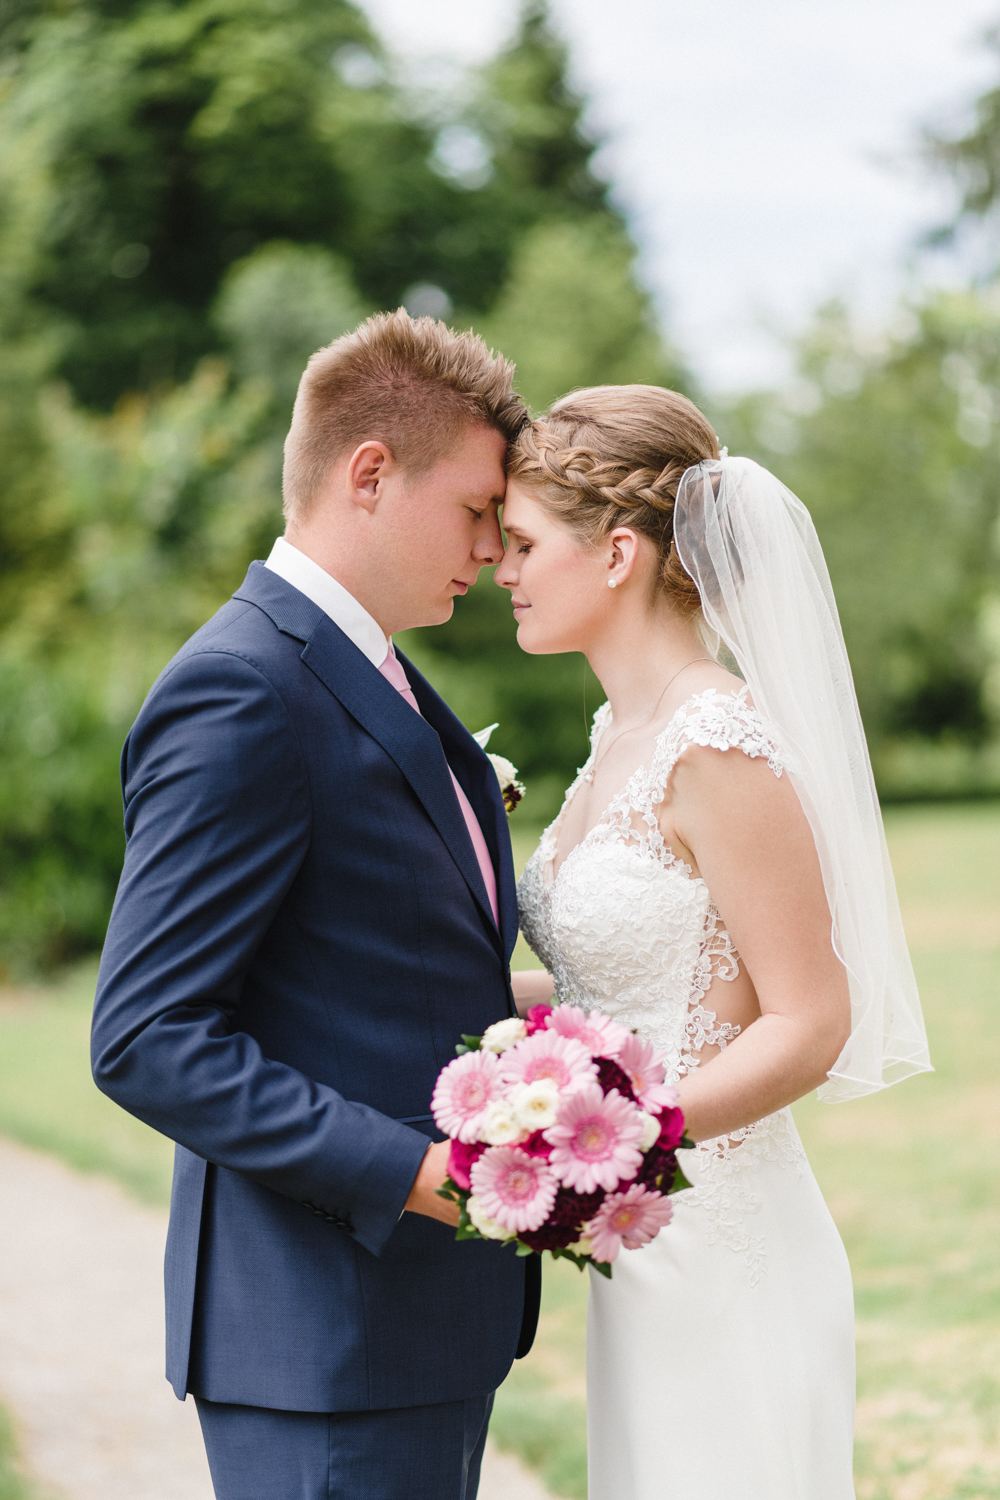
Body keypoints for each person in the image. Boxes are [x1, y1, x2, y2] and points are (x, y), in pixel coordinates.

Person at [91, 309, 541, 1500]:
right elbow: (147, 1039)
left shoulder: (373, 670)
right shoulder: (242, 688)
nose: (494, 549)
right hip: (321, 1332)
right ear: (370, 474)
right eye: (476, 509)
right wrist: (416, 1174)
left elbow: (388, 961)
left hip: (410, 1330)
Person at [495, 385, 932, 1500]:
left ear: (618, 555)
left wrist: (623, 1142)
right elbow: (629, 978)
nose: (500, 570)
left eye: (521, 542)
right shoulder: (614, 739)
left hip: (724, 1243)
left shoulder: (716, 742)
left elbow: (809, 1016)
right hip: (641, 1249)